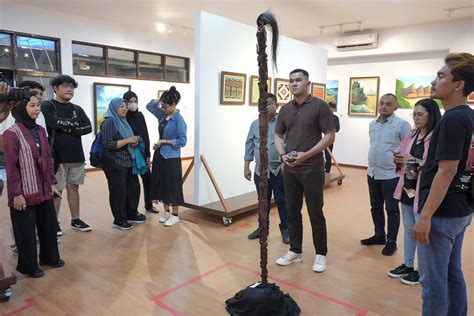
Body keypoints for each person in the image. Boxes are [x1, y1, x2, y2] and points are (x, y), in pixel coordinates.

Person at [413, 52, 474, 316]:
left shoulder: (452, 119)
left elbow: (447, 171)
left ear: (458, 84)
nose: (434, 81)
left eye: (441, 76)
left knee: (433, 280)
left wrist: (425, 215)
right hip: (460, 208)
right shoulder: (468, 116)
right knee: (452, 272)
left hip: (441, 213)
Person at [274, 69, 336, 273]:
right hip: (291, 168)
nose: (293, 84)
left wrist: (306, 155)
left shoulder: (320, 106)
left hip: (312, 167)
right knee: (292, 210)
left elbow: (329, 136)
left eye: (298, 80)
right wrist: (283, 156)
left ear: (308, 83)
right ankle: (295, 250)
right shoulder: (285, 109)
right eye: (291, 81)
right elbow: (278, 136)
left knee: (315, 211)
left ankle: (320, 254)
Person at [3, 91, 64, 278]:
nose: (37, 109)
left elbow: (47, 158)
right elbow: (11, 166)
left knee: (48, 225)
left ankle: (50, 258)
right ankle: (28, 266)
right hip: (24, 192)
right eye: (32, 105)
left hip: (44, 188)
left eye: (38, 105)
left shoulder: (40, 130)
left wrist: (52, 183)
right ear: (20, 108)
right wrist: (16, 194)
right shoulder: (11, 133)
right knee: (26, 232)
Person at [389, 98, 441, 286]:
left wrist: (415, 161)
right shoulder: (411, 134)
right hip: (408, 188)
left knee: (421, 232)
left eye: (420, 114)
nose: (416, 118)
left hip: (424, 191)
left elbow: (438, 167)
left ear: (431, 115)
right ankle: (408, 265)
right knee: (409, 229)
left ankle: (422, 271)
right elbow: (404, 157)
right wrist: (399, 159)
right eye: (414, 114)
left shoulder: (437, 137)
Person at [41, 75, 92, 235]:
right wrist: (73, 125)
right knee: (57, 190)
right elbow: (51, 122)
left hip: (76, 156)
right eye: (65, 86)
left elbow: (88, 127)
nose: (69, 89)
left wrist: (68, 126)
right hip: (57, 156)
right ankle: (53, 223)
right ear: (56, 88)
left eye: (71, 87)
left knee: (74, 188)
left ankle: (75, 219)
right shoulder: (48, 105)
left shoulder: (77, 109)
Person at [361, 93, 411, 256]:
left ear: (395, 107)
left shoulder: (402, 125)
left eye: (388, 104)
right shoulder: (372, 124)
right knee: (375, 207)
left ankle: (391, 241)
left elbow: (408, 149)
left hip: (391, 175)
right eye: (381, 103)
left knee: (391, 209)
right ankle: (379, 235)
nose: (383, 106)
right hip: (372, 173)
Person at [244, 93, 289, 244]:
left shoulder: (283, 123)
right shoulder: (254, 124)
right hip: (260, 171)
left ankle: (286, 229)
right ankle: (263, 228)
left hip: (279, 170)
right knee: (263, 201)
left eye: (269, 103)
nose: (265, 106)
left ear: (276, 106)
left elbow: (289, 143)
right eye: (262, 104)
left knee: (282, 200)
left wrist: (285, 162)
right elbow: (249, 144)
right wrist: (246, 166)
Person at [101, 98, 146, 230]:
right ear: (114, 108)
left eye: (125, 106)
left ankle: (131, 213)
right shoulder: (109, 122)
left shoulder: (123, 121)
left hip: (128, 161)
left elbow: (127, 140)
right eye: (121, 106)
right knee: (118, 192)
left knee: (133, 189)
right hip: (115, 162)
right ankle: (119, 219)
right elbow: (108, 144)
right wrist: (128, 140)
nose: (124, 109)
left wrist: (133, 142)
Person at [146, 86, 187, 227]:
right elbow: (149, 106)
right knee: (161, 183)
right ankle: (166, 212)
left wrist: (164, 141)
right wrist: (161, 99)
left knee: (173, 185)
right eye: (162, 106)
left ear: (174, 105)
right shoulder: (163, 115)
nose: (163, 109)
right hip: (160, 155)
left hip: (172, 158)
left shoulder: (179, 120)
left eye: (165, 106)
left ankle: (175, 215)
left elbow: (182, 141)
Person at [123, 90, 157, 214]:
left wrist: (148, 155)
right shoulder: (123, 117)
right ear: (125, 102)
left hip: (142, 153)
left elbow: (145, 135)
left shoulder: (140, 115)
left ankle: (149, 205)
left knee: (148, 179)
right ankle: (133, 210)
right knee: (133, 185)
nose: (133, 104)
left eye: (135, 101)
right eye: (130, 101)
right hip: (130, 154)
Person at [324, 102, 340, 173]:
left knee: (328, 156)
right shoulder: (324, 117)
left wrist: (330, 128)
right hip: (322, 139)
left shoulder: (336, 118)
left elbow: (337, 129)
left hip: (330, 139)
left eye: (331, 108)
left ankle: (327, 172)